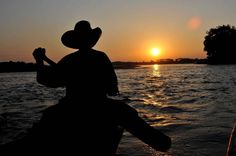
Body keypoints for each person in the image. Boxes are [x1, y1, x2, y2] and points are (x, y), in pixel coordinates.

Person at [0, 20, 171, 155]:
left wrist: (39, 60)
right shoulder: (100, 57)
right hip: (100, 106)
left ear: (76, 41)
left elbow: (47, 80)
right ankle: (159, 140)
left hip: (71, 106)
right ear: (91, 40)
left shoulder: (69, 60)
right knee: (133, 119)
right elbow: (112, 88)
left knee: (46, 121)